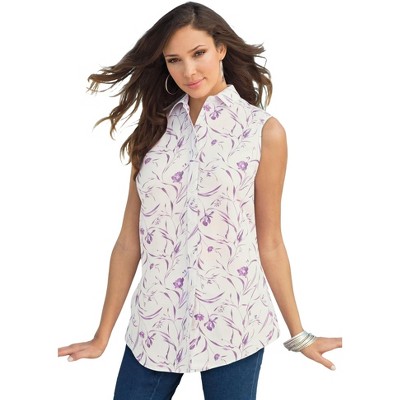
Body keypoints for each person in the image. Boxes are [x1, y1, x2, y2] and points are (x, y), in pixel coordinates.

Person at [58, 2, 342, 399]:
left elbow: (270, 241)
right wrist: (101, 335)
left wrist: (300, 334)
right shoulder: (153, 131)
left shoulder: (263, 132)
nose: (188, 71)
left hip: (234, 323)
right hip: (155, 325)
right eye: (174, 60)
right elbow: (128, 242)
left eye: (198, 53)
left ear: (221, 49)